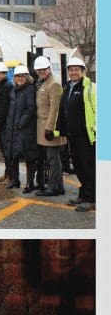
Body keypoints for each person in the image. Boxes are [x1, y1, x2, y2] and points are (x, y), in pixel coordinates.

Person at [57, 56, 96, 211]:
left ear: (83, 71)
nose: (73, 72)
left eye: (76, 70)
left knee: (88, 167)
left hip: (86, 135)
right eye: (71, 70)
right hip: (72, 135)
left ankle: (92, 199)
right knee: (78, 167)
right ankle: (84, 195)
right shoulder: (68, 88)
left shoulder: (90, 87)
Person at [33, 55, 66, 197]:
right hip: (42, 126)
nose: (41, 72)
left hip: (48, 127)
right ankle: (59, 186)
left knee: (53, 159)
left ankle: (53, 187)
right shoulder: (43, 82)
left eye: (43, 70)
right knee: (52, 158)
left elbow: (55, 108)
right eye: (38, 70)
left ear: (49, 69)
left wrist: (50, 128)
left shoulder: (54, 84)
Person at [4, 65, 41, 192]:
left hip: (25, 129)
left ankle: (30, 183)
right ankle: (15, 180)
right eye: (17, 76)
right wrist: (10, 123)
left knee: (28, 156)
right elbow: (11, 110)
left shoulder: (29, 90)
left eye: (22, 76)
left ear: (27, 77)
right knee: (12, 155)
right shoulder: (14, 91)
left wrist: (21, 123)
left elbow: (30, 109)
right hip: (13, 128)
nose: (19, 78)